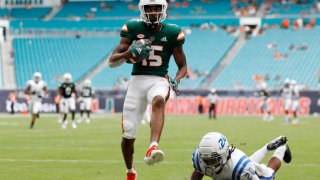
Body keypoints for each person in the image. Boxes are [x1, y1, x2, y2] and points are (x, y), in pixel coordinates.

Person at [108, 0, 187, 179]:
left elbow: (183, 66)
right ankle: (130, 171)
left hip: (159, 79)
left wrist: (177, 79)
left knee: (159, 100)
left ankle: (153, 146)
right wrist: (129, 53)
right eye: (149, 8)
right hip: (137, 81)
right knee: (128, 134)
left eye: (157, 8)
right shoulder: (133, 27)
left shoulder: (173, 31)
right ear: (142, 10)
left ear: (164, 9)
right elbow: (112, 61)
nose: (152, 11)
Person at [191, 132, 292, 180]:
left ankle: (282, 148)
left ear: (224, 155)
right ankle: (267, 148)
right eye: (205, 160)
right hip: (238, 169)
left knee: (269, 174)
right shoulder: (199, 160)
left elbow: (243, 168)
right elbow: (198, 171)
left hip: (243, 171)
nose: (208, 165)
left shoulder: (240, 167)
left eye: (213, 160)